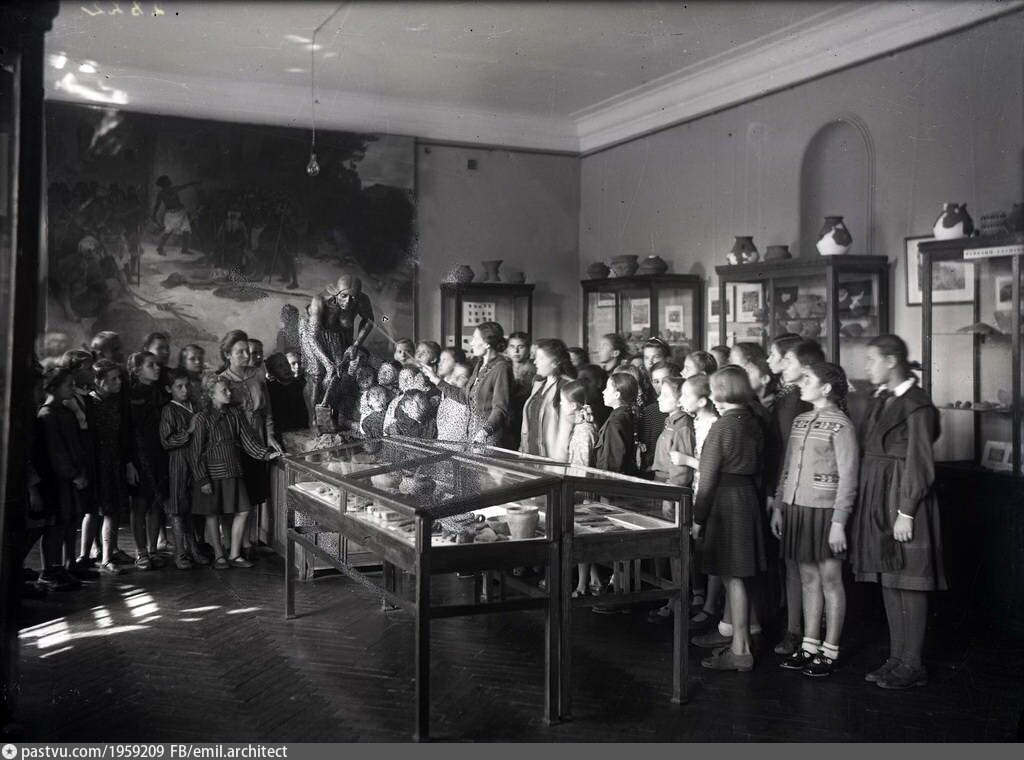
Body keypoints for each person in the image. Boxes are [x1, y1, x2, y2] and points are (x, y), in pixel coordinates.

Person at [850, 335, 946, 690]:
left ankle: (913, 663)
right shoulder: (883, 399)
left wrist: (906, 512)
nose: (866, 367)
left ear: (891, 361)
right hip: (881, 494)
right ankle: (897, 658)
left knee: (910, 579)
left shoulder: (917, 404)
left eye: (871, 360)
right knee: (890, 577)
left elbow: (920, 462)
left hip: (905, 497)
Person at [772, 361, 858, 678]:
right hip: (798, 509)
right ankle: (809, 645)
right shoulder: (800, 421)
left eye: (807, 378)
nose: (801, 383)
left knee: (830, 580)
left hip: (826, 512)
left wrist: (839, 522)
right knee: (807, 578)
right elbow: (787, 469)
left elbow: (849, 478)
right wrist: (779, 506)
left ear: (826, 388)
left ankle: (830, 650)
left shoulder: (842, 425)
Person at [691, 366, 766, 672]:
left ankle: (740, 650)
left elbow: (707, 477)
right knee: (738, 574)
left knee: (732, 575)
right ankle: (743, 638)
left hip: (725, 501)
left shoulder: (722, 426)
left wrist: (698, 518)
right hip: (747, 497)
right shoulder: (752, 420)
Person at [766, 338, 825, 656]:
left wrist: (777, 496)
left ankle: (800, 632)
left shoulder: (793, 401)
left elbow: (788, 454)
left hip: (800, 492)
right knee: (799, 565)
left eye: (787, 359)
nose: (779, 364)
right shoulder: (789, 397)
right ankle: (800, 630)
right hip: (790, 489)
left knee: (802, 566)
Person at [188, 373, 281, 570]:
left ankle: (235, 554)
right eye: (224, 391)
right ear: (211, 394)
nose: (229, 393)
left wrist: (266, 454)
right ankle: (219, 556)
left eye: (229, 389)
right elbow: (195, 453)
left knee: (244, 510)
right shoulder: (203, 418)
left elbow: (248, 440)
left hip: (233, 470)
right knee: (212, 514)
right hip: (211, 474)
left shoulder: (235, 414)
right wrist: (202, 479)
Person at [217, 330, 283, 553]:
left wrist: (269, 434)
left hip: (258, 438)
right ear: (228, 355)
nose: (247, 356)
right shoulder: (222, 380)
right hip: (234, 443)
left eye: (248, 351)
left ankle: (248, 541)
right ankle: (230, 543)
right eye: (240, 352)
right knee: (235, 496)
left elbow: (267, 410)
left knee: (253, 493)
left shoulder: (257, 375)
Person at [35, 368, 89, 590]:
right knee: (56, 525)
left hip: (70, 478)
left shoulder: (65, 412)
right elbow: (56, 452)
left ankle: (65, 566)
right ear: (54, 387)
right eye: (68, 384)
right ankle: (49, 570)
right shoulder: (47, 415)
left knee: (68, 521)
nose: (72, 388)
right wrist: (73, 474)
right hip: (58, 481)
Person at [647, 374, 696, 622]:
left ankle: (679, 601)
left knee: (677, 550)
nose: (659, 398)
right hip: (661, 486)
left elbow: (682, 470)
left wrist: (671, 495)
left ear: (680, 400)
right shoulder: (670, 422)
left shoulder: (683, 425)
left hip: (671, 490)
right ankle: (672, 598)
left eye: (665, 395)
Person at [84, 359, 138, 574]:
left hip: (113, 462)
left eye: (119, 378)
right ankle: (97, 556)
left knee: (111, 509)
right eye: (113, 379)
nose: (119, 382)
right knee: (99, 510)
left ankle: (109, 551)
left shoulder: (114, 402)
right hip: (98, 464)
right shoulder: (90, 403)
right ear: (98, 381)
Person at [159, 368, 208, 569]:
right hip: (178, 464)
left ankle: (194, 549)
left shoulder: (194, 406)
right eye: (179, 386)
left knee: (192, 509)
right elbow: (166, 441)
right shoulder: (169, 410)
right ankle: (180, 554)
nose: (185, 390)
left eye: (187, 385)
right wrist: (189, 431)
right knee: (178, 509)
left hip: (196, 464)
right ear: (168, 389)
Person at [126, 351, 168, 570]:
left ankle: (153, 550)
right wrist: (129, 463)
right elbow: (127, 432)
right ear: (137, 370)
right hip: (139, 455)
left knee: (156, 503)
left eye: (157, 364)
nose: (157, 368)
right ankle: (141, 552)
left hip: (159, 453)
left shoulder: (159, 392)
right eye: (151, 365)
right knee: (140, 503)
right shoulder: (130, 395)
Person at [559, 380, 600, 598]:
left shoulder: (584, 430)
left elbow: (583, 466)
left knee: (582, 536)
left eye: (562, 402)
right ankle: (593, 579)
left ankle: (583, 585)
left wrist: (574, 489)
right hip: (579, 488)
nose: (560, 405)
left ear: (574, 405)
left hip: (582, 490)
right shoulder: (581, 426)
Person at [520, 339, 575, 460]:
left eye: (540, 358)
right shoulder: (538, 384)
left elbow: (567, 431)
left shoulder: (568, 386)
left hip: (553, 461)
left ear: (555, 362)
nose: (535, 362)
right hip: (530, 456)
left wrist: (559, 465)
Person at [465, 322, 514, 446]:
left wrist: (484, 432)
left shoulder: (501, 367)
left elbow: (500, 408)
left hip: (488, 437)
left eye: (475, 338)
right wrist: (437, 380)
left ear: (487, 343)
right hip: (473, 435)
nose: (471, 343)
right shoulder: (480, 364)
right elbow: (466, 397)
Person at [637, 361, 681, 476]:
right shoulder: (649, 411)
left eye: (665, 380)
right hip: (655, 472)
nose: (661, 386)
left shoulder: (686, 412)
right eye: (656, 381)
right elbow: (646, 448)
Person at [595, 372, 640, 476]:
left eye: (607, 388)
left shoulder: (615, 422)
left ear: (617, 395)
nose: (603, 392)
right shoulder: (627, 415)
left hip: (609, 480)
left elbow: (612, 462)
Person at [152, 175, 200, 257]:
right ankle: (160, 248)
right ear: (163, 184)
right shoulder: (161, 194)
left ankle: (184, 249)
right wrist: (154, 215)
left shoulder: (174, 189)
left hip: (180, 212)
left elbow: (185, 186)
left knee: (186, 230)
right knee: (168, 231)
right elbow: (157, 205)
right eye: (166, 182)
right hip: (170, 214)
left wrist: (194, 183)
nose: (168, 183)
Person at [266, 352, 309, 441]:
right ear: (272, 372)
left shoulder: (301, 385)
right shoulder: (270, 389)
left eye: (286, 363)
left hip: (304, 433)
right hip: (282, 436)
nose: (285, 368)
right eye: (280, 366)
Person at [507, 331, 536, 446]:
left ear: (528, 349)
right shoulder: (503, 368)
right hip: (506, 422)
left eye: (521, 347)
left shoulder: (535, 370)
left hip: (526, 420)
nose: (516, 351)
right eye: (512, 346)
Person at [577, 364, 610, 430]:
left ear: (599, 383)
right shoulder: (577, 406)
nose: (582, 384)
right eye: (579, 381)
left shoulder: (607, 410)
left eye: (586, 380)